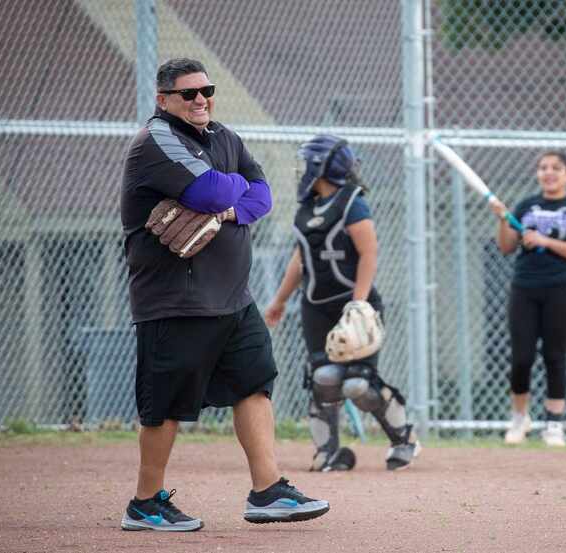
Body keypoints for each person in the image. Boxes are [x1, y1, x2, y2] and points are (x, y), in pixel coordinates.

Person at [119, 58, 329, 531]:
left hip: (234, 297)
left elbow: (263, 195)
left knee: (254, 381)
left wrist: (225, 203)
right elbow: (218, 190)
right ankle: (145, 502)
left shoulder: (224, 137)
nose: (200, 99)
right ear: (163, 99)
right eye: (188, 93)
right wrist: (226, 193)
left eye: (206, 90)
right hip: (175, 300)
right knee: (165, 405)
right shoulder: (157, 140)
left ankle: (267, 489)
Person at [264, 134, 421, 472]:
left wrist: (359, 304)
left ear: (321, 166)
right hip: (316, 305)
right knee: (323, 377)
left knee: (357, 385)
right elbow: (300, 257)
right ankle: (328, 452)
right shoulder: (306, 207)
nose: (300, 169)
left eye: (306, 161)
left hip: (356, 305)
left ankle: (404, 437)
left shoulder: (352, 201)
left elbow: (369, 252)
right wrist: (279, 300)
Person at [489, 152, 566, 447]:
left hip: (562, 289)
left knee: (555, 355)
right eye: (543, 168)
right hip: (525, 288)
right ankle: (519, 418)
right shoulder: (525, 205)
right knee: (521, 357)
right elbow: (506, 246)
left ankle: (554, 424)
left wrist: (545, 240)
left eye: (556, 168)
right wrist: (502, 220)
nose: (549, 173)